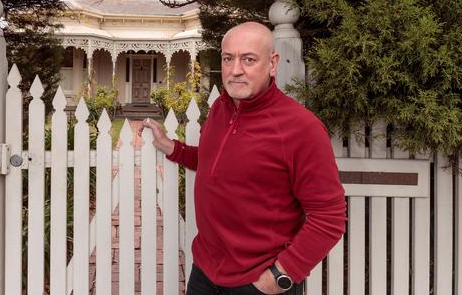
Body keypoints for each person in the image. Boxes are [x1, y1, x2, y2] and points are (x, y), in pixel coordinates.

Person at [142, 22, 346, 294]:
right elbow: (215, 162)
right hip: (204, 272)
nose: (236, 70)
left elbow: (329, 217)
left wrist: (281, 276)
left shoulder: (301, 128)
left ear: (272, 64)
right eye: (228, 58)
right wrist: (173, 148)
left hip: (258, 281)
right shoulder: (220, 109)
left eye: (249, 59)